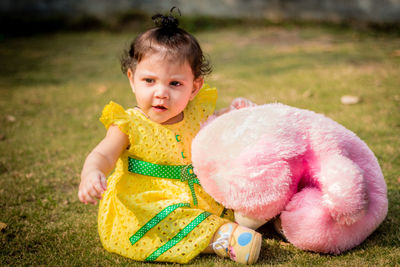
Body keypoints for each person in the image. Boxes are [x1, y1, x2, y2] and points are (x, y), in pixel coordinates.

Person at [78, 8, 261, 264]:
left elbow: (218, 125)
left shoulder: (196, 113)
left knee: (244, 190)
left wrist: (234, 113)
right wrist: (92, 172)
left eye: (175, 84)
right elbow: (103, 153)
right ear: (132, 79)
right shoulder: (129, 123)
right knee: (165, 219)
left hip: (199, 194)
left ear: (194, 87)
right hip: (147, 202)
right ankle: (222, 239)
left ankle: (266, 218)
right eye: (149, 81)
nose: (161, 93)